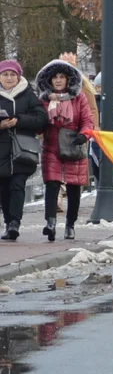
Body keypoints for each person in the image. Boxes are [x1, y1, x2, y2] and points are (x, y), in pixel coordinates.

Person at [36, 58, 94, 241]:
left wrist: (84, 135)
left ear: (68, 79)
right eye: (55, 77)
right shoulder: (44, 101)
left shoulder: (79, 98)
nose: (59, 80)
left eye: (62, 77)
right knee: (52, 185)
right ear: (50, 80)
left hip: (73, 145)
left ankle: (70, 225)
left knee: (74, 187)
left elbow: (87, 120)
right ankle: (50, 223)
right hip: (52, 145)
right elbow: (39, 122)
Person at [0, 60, 47, 243]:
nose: (9, 78)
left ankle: (14, 223)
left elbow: (41, 118)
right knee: (3, 188)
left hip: (22, 148)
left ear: (18, 76)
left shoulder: (28, 94)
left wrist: (19, 120)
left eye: (12, 74)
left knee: (17, 185)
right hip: (1, 149)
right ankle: (7, 221)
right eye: (5, 74)